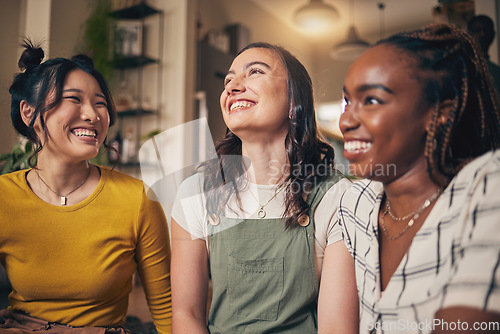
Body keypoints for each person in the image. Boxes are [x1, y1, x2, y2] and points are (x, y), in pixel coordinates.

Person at [171, 42, 358, 333]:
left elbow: (336, 327)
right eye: (228, 80)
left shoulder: (337, 197)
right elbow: (187, 316)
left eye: (254, 72)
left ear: (295, 97)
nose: (233, 87)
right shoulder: (195, 194)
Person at [0, 41, 172, 333]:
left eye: (100, 103)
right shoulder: (4, 196)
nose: (93, 114)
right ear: (29, 113)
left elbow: (167, 307)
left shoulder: (137, 199)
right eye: (74, 99)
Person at [338, 23, 500, 333]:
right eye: (348, 102)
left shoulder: (486, 187)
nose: (346, 120)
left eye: (371, 100)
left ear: (438, 111)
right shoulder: (355, 204)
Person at [467, 14, 500, 99]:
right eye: (477, 30)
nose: (482, 34)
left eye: (487, 30)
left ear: (493, 35)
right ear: (468, 34)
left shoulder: (497, 71)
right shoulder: (460, 66)